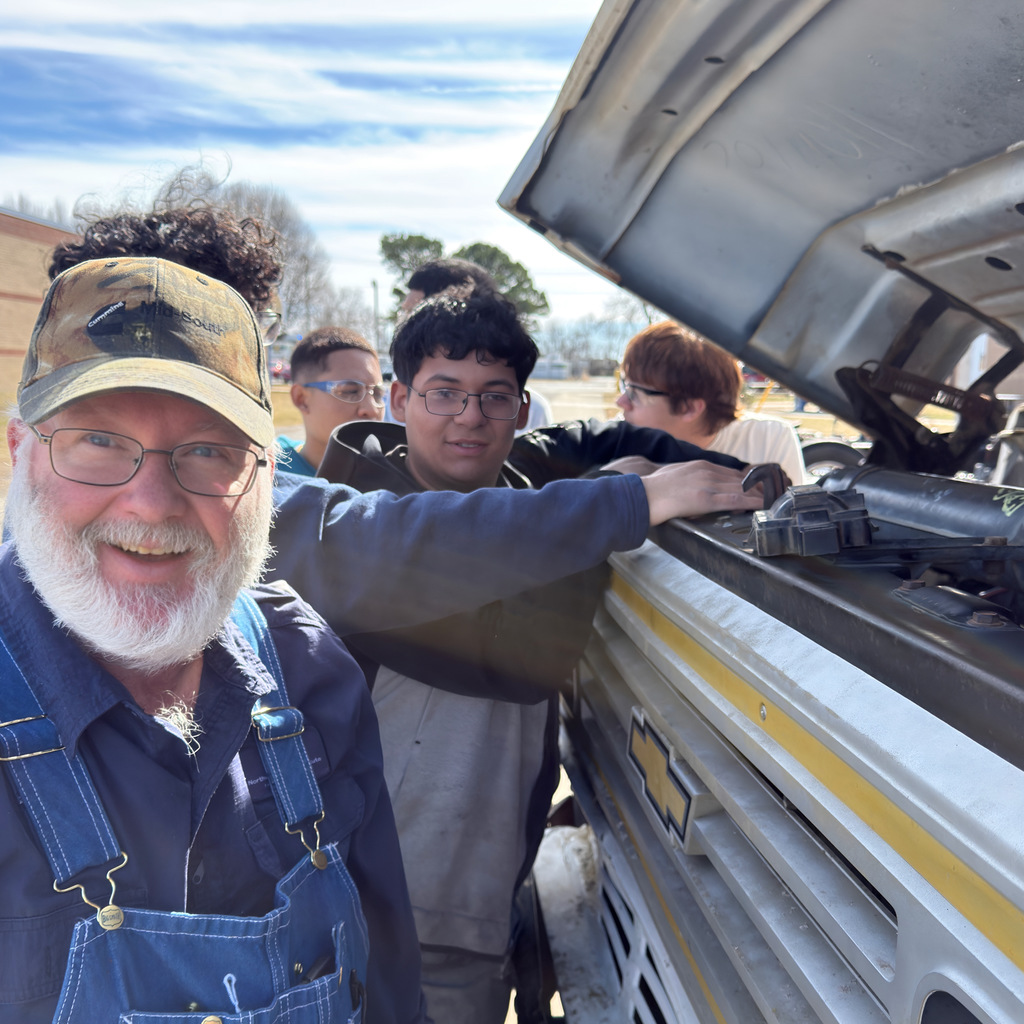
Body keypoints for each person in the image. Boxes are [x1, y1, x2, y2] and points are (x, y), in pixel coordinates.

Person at [1, 256, 426, 1023]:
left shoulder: (308, 669)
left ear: (262, 477)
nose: (152, 503)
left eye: (206, 450)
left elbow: (389, 983)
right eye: (98, 439)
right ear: (18, 449)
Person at [316, 290, 757, 1023]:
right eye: (444, 393)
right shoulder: (362, 533)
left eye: (495, 397)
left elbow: (605, 436)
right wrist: (617, 497)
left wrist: (726, 472)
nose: (470, 417)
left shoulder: (522, 477)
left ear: (522, 409)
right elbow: (510, 648)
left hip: (480, 901)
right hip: (385, 922)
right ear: (398, 399)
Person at [617, 320, 808, 484]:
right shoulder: (616, 446)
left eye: (634, 393)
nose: (620, 401)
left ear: (689, 408)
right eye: (624, 385)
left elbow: (793, 514)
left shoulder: (770, 441)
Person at [279, 327, 387, 475]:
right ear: (301, 399)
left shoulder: (395, 477)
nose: (372, 410)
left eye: (378, 394)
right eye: (350, 391)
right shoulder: (267, 475)